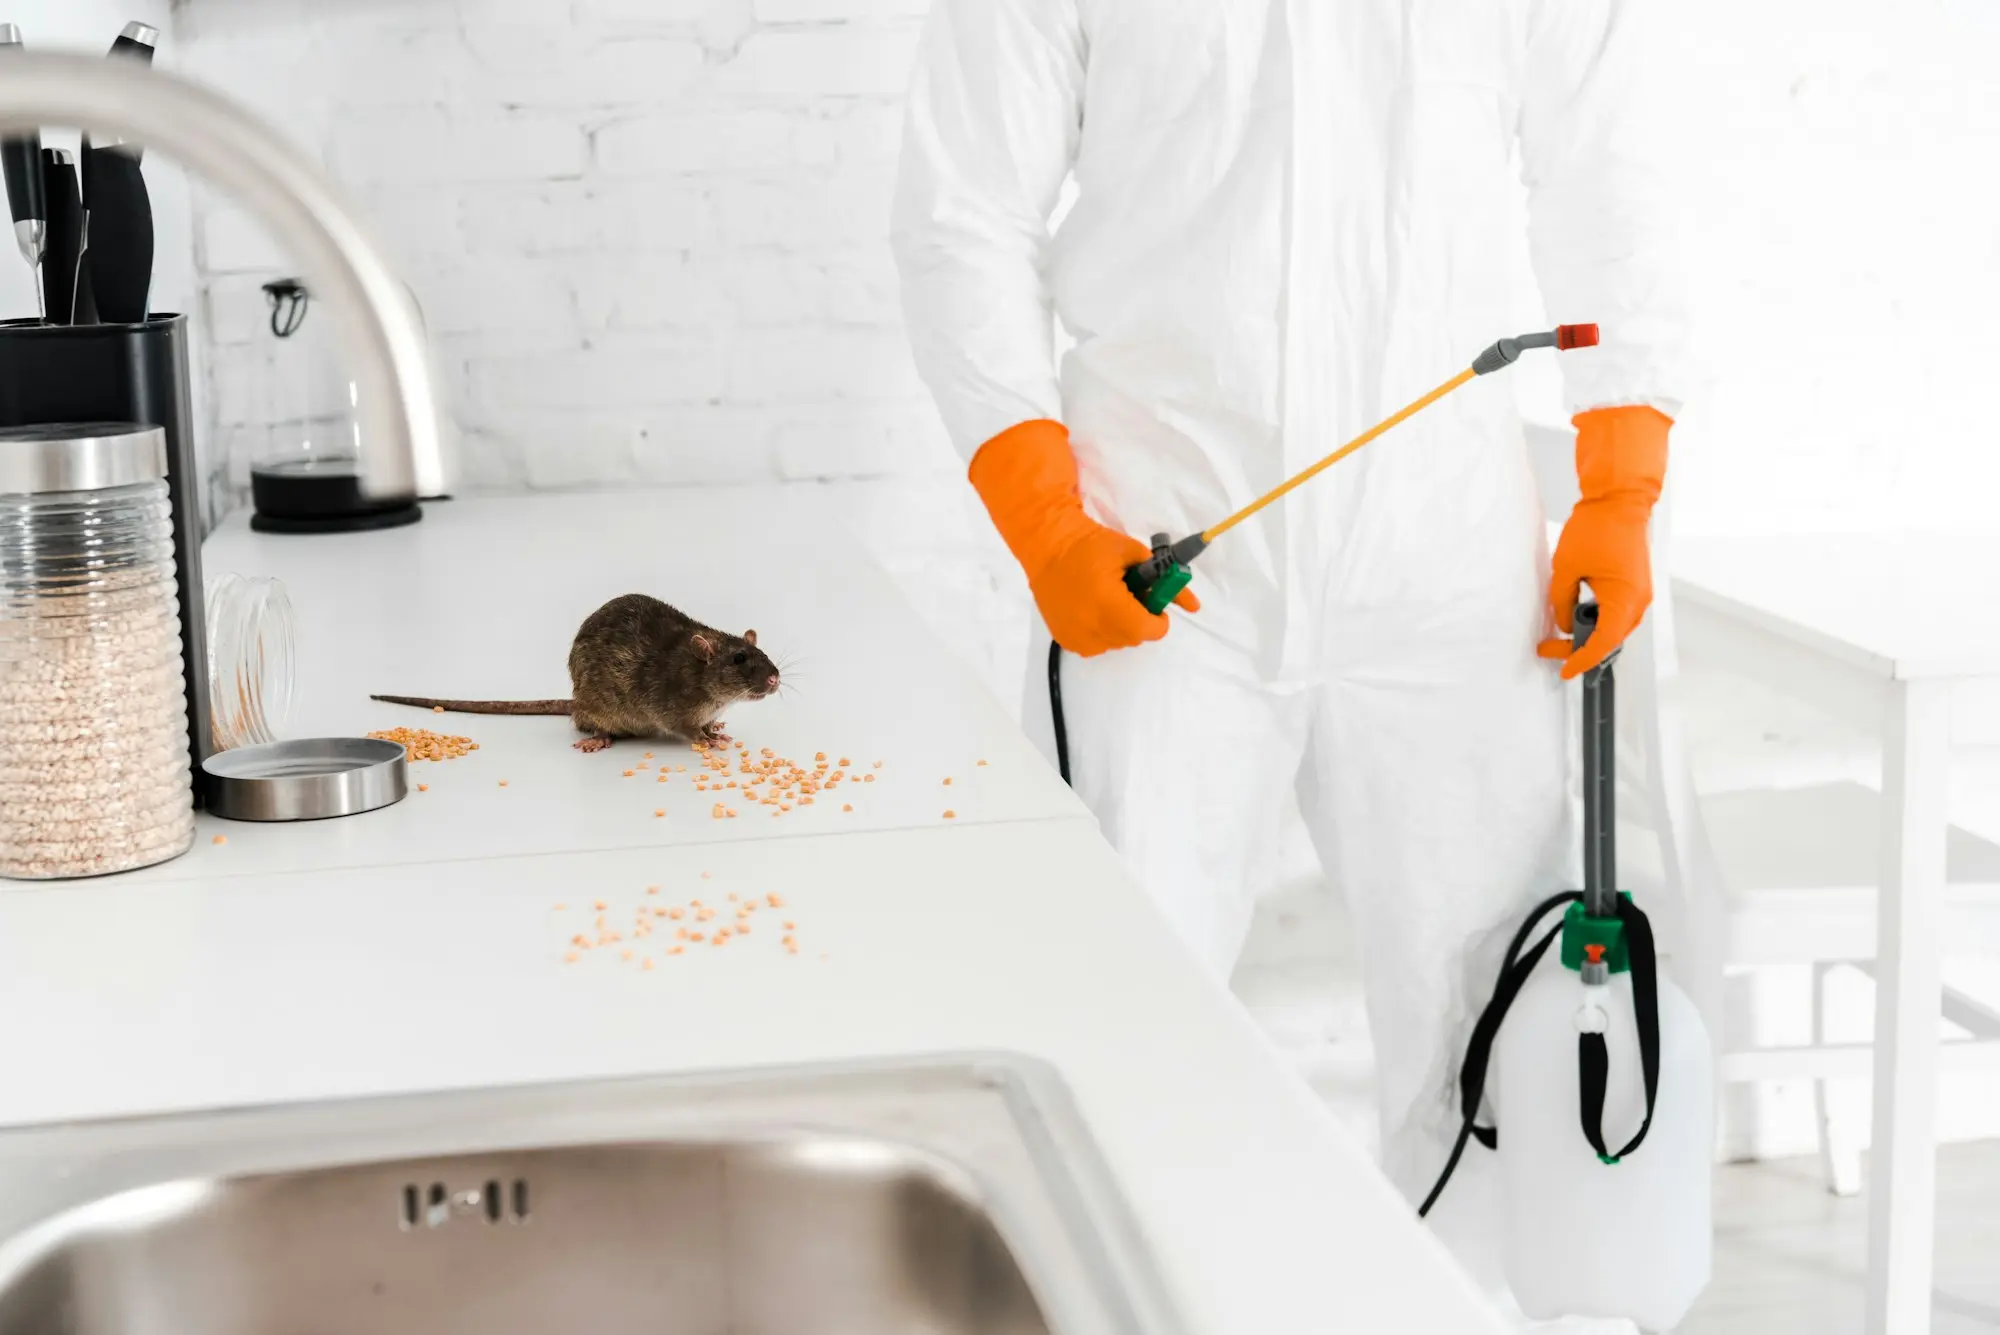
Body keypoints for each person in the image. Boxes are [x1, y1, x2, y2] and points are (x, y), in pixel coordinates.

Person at [891, 0, 1690, 1305]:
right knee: (1115, 1005)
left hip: (1446, 567)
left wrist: (1621, 476)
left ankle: (1467, 1312)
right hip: (1159, 550)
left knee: (1481, 1024)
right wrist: (1045, 523)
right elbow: (961, 211)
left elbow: (1609, 179)